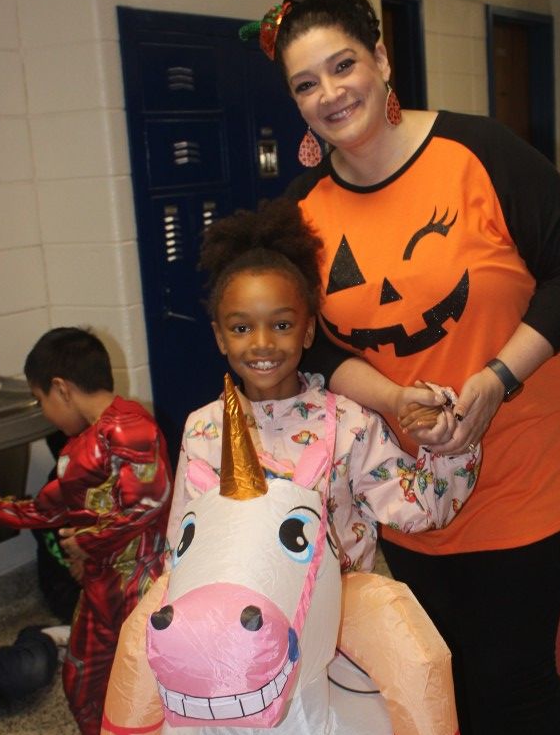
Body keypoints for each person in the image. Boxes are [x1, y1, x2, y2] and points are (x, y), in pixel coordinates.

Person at [244, 0, 560, 735]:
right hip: (402, 482)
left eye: (342, 66)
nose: (329, 93)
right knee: (440, 668)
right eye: (304, 84)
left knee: (512, 671)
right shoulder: (303, 210)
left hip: (526, 454)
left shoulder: (475, 152)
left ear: (380, 64)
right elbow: (310, 340)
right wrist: (392, 402)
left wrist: (494, 380)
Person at [168, 196, 481, 572]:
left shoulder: (351, 424)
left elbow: (421, 510)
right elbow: (182, 542)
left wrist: (444, 442)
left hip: (337, 623)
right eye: (242, 328)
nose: (262, 343)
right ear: (220, 338)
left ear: (308, 330)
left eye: (282, 325)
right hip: (235, 626)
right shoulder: (202, 429)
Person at [0, 328, 171, 735]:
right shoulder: (81, 448)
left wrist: (84, 542)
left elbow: (148, 504)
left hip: (143, 585)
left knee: (158, 678)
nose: (44, 412)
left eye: (41, 400)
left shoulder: (131, 429)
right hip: (103, 585)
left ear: (61, 388)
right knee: (81, 678)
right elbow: (46, 509)